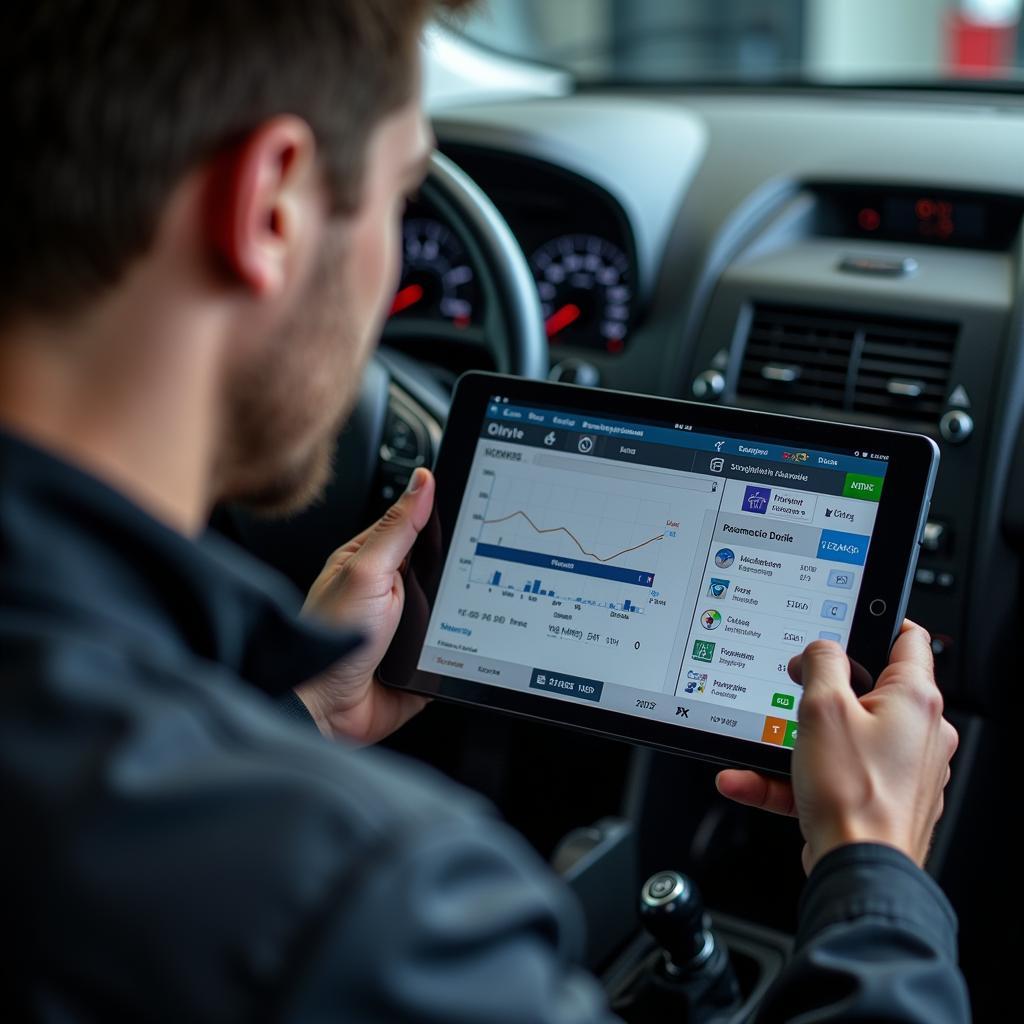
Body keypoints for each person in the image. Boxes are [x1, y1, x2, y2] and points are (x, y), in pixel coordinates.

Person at [0, 3, 968, 1022]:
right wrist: (872, 866)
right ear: (271, 205)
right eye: (401, 195)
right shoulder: (377, 904)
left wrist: (297, 714)